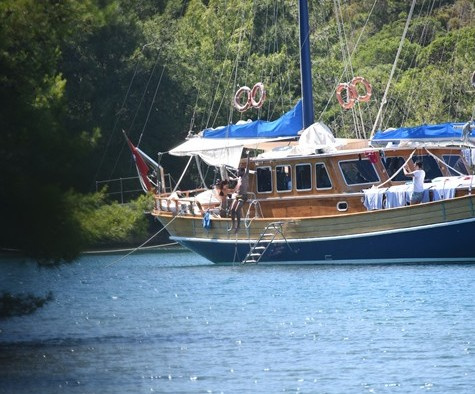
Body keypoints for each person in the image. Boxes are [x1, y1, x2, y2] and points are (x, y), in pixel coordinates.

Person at [229, 153, 250, 232]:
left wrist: (248, 156)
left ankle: (238, 226)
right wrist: (231, 179)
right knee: (232, 209)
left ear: (242, 171)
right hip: (237, 196)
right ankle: (233, 224)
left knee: (237, 209)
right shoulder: (239, 178)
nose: (237, 173)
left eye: (238, 171)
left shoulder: (245, 175)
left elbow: (247, 166)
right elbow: (235, 179)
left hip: (243, 196)